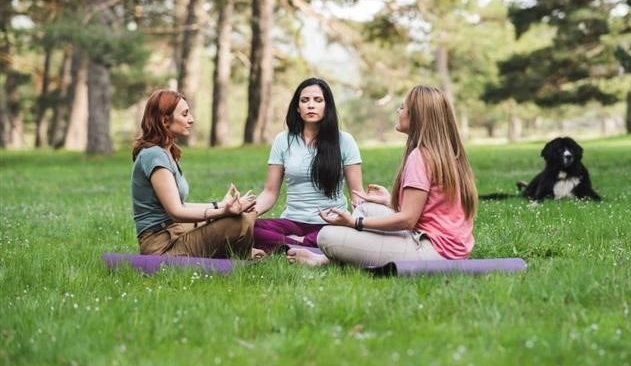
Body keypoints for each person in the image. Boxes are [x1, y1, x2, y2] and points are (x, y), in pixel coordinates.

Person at [287, 85, 478, 267]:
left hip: (433, 251)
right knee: (366, 207)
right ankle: (344, 250)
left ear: (417, 117)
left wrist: (355, 223)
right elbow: (431, 209)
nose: (399, 111)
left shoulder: (420, 156)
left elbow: (408, 220)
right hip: (450, 247)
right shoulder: (445, 152)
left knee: (326, 236)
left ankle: (325, 259)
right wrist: (389, 202)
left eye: (403, 107)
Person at [131, 89, 260, 259]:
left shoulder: (166, 152)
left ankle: (240, 255)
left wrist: (220, 205)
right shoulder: (154, 155)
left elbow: (181, 204)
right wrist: (223, 212)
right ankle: (243, 257)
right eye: (185, 114)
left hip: (175, 230)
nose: (191, 119)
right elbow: (176, 211)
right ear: (164, 120)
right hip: (161, 245)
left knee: (247, 215)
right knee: (239, 222)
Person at [252, 77, 364, 252]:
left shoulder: (345, 141)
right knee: (251, 229)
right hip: (292, 222)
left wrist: (358, 223)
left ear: (327, 106)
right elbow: (270, 192)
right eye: (305, 100)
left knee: (339, 236)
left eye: (318, 100)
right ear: (297, 108)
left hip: (330, 224)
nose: (311, 105)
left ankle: (289, 244)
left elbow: (357, 194)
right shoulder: (283, 140)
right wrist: (246, 216)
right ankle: (306, 245)